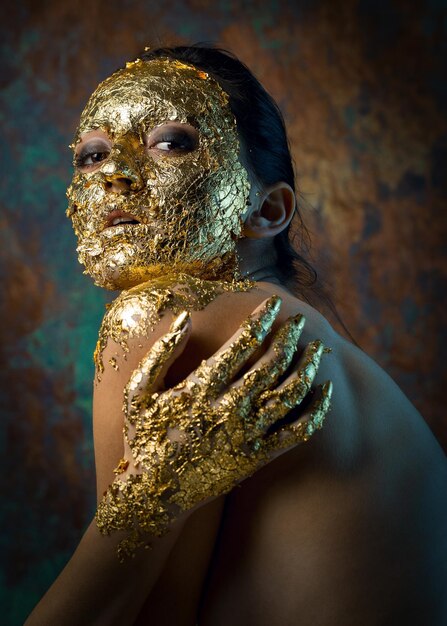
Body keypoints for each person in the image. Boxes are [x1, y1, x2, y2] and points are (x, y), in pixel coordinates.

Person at [26, 45, 447, 626]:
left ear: (268, 210)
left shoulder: (165, 313)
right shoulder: (326, 351)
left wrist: (152, 494)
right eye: (91, 154)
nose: (115, 173)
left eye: (172, 142)